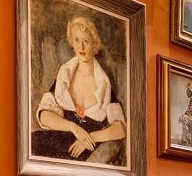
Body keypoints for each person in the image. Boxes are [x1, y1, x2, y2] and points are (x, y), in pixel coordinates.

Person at [32, 16, 126, 165]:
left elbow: (120, 129)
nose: (81, 47)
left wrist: (89, 138)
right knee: (33, 142)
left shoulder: (103, 83)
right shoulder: (65, 75)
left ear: (94, 46)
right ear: (72, 43)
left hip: (84, 149)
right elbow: (44, 116)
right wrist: (73, 127)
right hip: (61, 139)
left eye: (86, 41)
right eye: (76, 40)